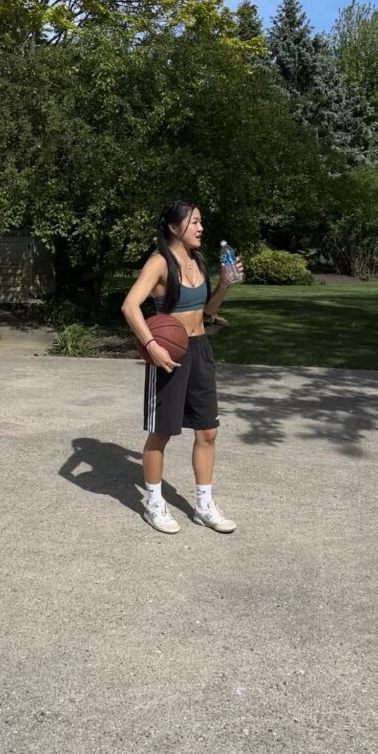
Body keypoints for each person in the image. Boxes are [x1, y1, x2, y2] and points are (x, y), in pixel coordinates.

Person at [121, 200, 243, 535]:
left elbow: (206, 312)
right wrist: (151, 345)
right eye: (194, 222)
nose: (201, 228)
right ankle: (153, 503)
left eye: (201, 222)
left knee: (208, 431)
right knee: (161, 433)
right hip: (169, 354)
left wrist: (224, 284)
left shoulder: (197, 261)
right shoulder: (159, 262)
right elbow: (130, 306)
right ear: (174, 228)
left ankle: (204, 505)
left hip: (200, 349)